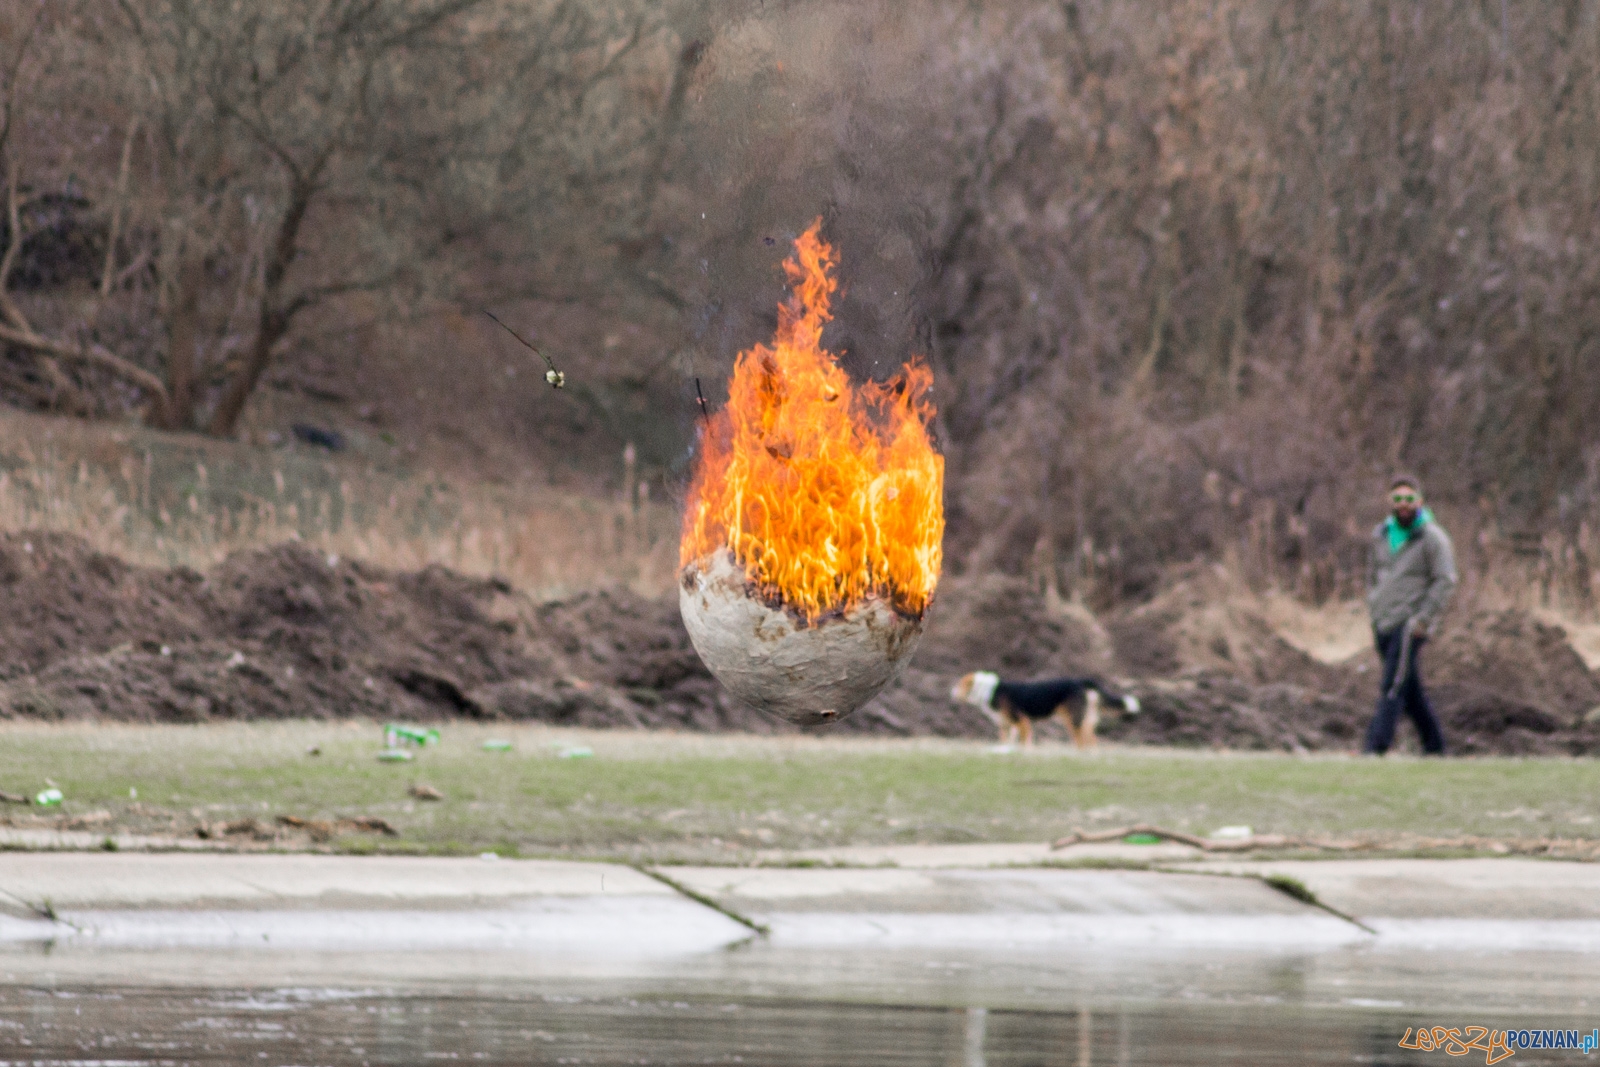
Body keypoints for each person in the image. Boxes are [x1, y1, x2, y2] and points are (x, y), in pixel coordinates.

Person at [1363, 475, 1457, 755]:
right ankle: (1435, 746)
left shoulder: (1432, 538)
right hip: (1383, 622)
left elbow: (1445, 580)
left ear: (1420, 501)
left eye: (1409, 499)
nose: (1404, 505)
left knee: (1392, 684)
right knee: (1410, 690)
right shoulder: (1379, 535)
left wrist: (1424, 618)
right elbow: (1372, 575)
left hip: (1409, 625)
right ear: (1390, 502)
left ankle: (1375, 747)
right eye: (1398, 499)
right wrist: (1373, 606)